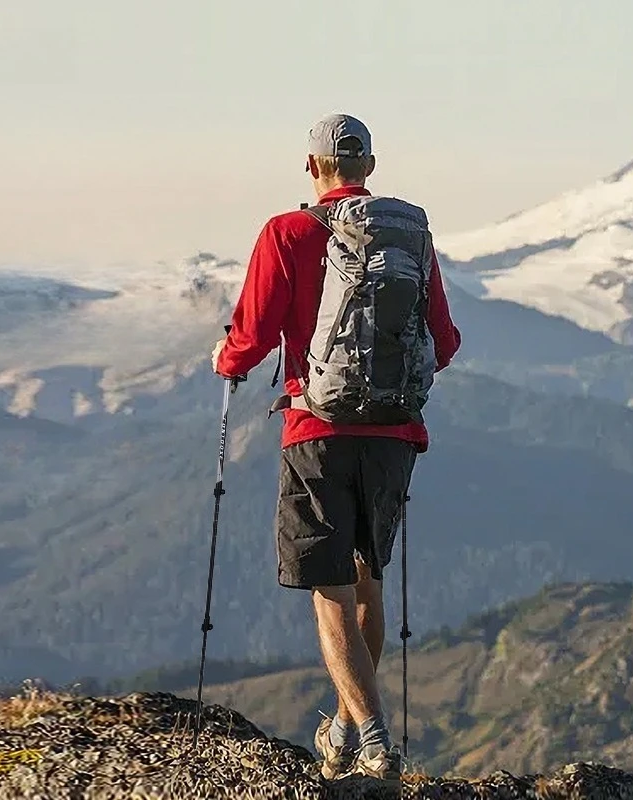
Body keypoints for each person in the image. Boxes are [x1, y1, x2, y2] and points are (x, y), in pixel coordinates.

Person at [211, 113, 461, 781]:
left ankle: (374, 743)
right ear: (370, 170)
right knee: (365, 584)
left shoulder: (287, 233)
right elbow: (447, 340)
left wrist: (227, 361)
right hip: (394, 436)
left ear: (311, 167)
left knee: (328, 593)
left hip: (316, 429)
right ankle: (346, 733)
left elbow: (255, 333)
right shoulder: (408, 237)